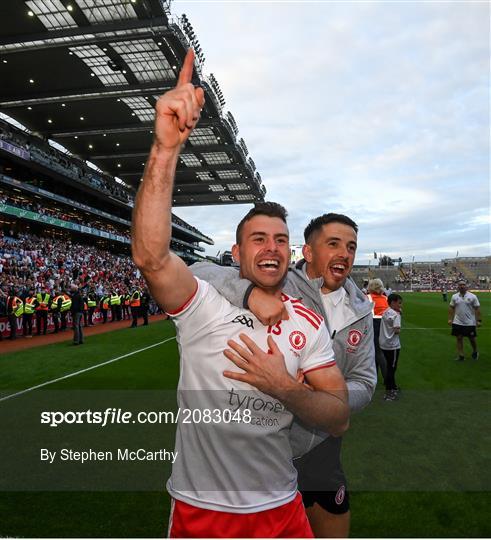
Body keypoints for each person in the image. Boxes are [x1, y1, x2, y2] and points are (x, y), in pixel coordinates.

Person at [131, 49, 349, 539]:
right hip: (202, 510)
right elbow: (151, 257)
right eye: (258, 238)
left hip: (283, 507)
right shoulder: (205, 303)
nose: (271, 248)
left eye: (280, 239)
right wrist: (165, 149)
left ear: (291, 250)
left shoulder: (306, 322)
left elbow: (337, 418)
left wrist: (285, 387)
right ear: (237, 251)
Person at [194, 212, 376, 537]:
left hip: (322, 439)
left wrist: (323, 398)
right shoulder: (277, 279)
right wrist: (249, 294)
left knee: (332, 519)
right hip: (263, 439)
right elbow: (198, 271)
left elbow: (365, 381)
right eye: (333, 244)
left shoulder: (360, 309)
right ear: (307, 252)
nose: (345, 254)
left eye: (351, 247)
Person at [448, 280, 481, 361]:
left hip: (470, 322)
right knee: (459, 338)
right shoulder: (454, 296)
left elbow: (477, 309)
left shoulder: (473, 296)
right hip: (457, 321)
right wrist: (450, 319)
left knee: (472, 339)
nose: (462, 286)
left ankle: (475, 351)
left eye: (463, 285)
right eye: (460, 285)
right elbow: (451, 307)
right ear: (458, 286)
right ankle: (461, 355)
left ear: (466, 286)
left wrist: (479, 320)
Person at [379, 293, 403, 401]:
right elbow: (397, 331)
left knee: (390, 366)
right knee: (391, 368)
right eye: (399, 303)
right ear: (393, 302)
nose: (400, 305)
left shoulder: (386, 311)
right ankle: (389, 393)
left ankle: (393, 387)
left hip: (384, 343)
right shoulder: (395, 314)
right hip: (392, 345)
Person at [366, 278, 389, 381]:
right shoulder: (385, 298)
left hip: (374, 325)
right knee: (379, 353)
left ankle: (388, 380)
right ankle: (375, 376)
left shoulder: (368, 297)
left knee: (378, 353)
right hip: (387, 326)